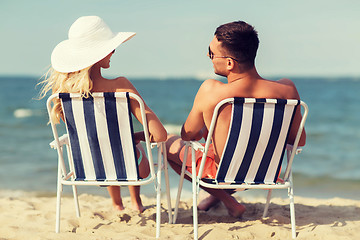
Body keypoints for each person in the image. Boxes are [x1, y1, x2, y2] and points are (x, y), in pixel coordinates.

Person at [166, 20, 306, 218]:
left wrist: (204, 129)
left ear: (230, 63)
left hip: (222, 175)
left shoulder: (211, 91)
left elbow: (187, 135)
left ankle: (228, 201)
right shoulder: (287, 89)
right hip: (266, 173)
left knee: (166, 143)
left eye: (212, 53)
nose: (209, 56)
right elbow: (298, 141)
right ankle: (220, 199)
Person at [39, 16, 167, 213]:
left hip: (91, 170)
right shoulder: (121, 85)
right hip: (133, 170)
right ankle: (136, 202)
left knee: (107, 146)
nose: (113, 51)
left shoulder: (64, 95)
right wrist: (136, 137)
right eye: (110, 47)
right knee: (130, 145)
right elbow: (160, 136)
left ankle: (117, 204)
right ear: (97, 55)